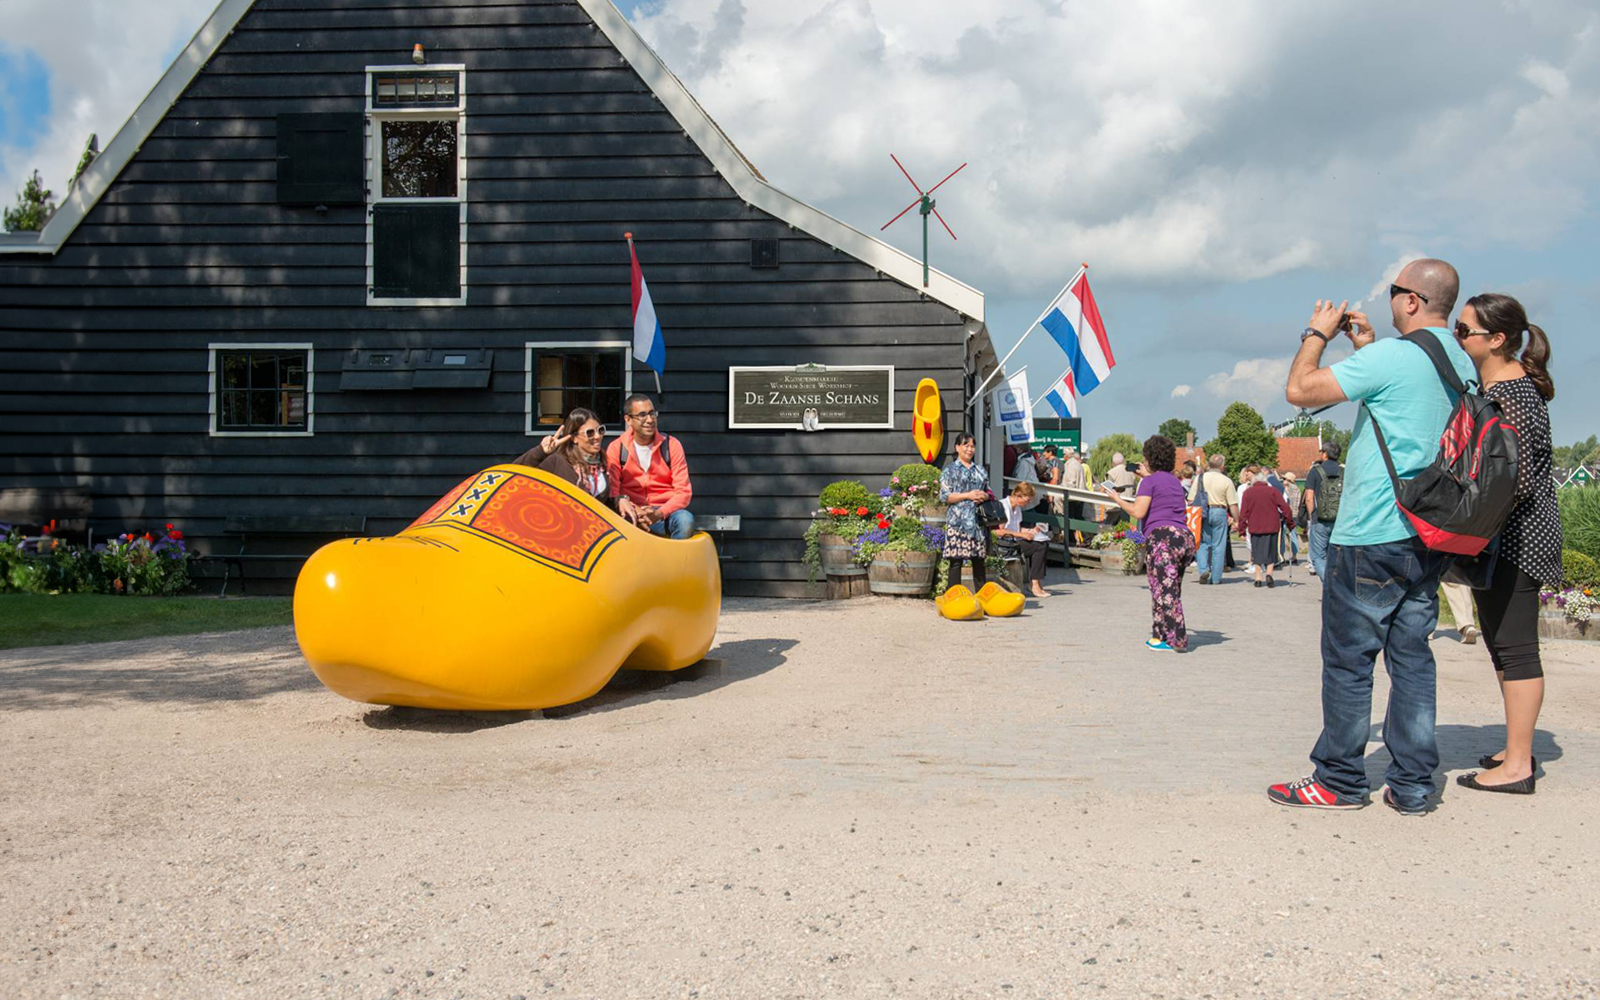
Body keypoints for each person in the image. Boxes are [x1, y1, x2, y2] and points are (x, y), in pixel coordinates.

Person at [1269, 258, 1475, 816]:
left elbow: (1299, 391)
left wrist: (1317, 333)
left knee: (1349, 660)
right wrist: (1367, 346)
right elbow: (1405, 409)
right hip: (1428, 532)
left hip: (1371, 532)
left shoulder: (1394, 356)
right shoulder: (1461, 361)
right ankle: (1411, 786)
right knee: (1411, 657)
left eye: (1394, 291)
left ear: (1411, 301)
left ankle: (1337, 780)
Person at [1453, 293, 1560, 795]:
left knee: (1516, 651)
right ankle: (1516, 746)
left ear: (1496, 339)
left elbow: (1505, 478)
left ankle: (1518, 764)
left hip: (1516, 538)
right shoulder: (1503, 385)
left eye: (1464, 330)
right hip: (1508, 535)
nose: (1458, 336)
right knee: (1501, 646)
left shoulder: (1510, 394)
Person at [1104, 435, 1194, 651]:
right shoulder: (1173, 480)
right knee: (1172, 588)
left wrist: (1116, 498)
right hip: (1183, 536)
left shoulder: (1148, 482)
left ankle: (1177, 639)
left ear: (1149, 459)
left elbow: (1138, 511)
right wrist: (1147, 475)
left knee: (1162, 590)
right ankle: (1161, 634)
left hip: (1162, 538)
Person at [515, 408, 638, 521]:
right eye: (590, 433)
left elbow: (597, 504)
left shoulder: (601, 464)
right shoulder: (558, 462)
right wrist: (541, 451)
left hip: (590, 534)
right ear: (574, 438)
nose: (597, 437)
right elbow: (516, 472)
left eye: (600, 430)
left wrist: (620, 500)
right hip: (562, 532)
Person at [606, 393, 696, 539]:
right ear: (628, 419)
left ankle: (676, 562)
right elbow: (613, 491)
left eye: (652, 413)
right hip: (630, 513)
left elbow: (684, 493)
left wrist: (658, 514)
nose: (649, 420)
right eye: (642, 415)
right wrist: (635, 509)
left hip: (665, 513)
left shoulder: (671, 445)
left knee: (685, 521)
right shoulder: (617, 448)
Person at [940, 432, 990, 591]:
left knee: (979, 560)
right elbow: (945, 496)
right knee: (956, 561)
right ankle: (953, 596)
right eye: (966, 445)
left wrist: (983, 496)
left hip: (977, 522)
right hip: (958, 521)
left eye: (972, 446)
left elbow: (989, 491)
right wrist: (968, 495)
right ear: (958, 447)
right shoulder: (950, 470)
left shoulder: (980, 470)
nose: (969, 449)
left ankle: (982, 596)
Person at [1239, 468, 1295, 588]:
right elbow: (1285, 508)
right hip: (1272, 525)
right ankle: (1269, 574)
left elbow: (1243, 512)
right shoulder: (1273, 491)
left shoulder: (1248, 493)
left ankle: (1258, 577)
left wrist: (1242, 529)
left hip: (1255, 526)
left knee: (1257, 551)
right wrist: (1290, 523)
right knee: (1271, 550)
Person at [995, 482, 1050, 599]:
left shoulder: (1017, 508)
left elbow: (1017, 528)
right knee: (1040, 547)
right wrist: (1022, 535)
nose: (1027, 503)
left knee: (1043, 543)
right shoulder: (1003, 506)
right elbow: (999, 531)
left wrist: (1031, 531)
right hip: (1005, 543)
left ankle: (1036, 583)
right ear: (1018, 495)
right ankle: (1035, 584)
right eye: (1026, 500)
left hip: (1014, 540)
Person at [1189, 454, 1237, 585]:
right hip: (1220, 511)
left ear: (1209, 465)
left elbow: (1190, 499)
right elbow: (1233, 504)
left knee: (1203, 543)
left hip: (1202, 511)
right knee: (1219, 545)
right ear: (1222, 466)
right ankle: (1216, 578)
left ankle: (1203, 569)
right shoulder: (1226, 481)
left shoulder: (1200, 478)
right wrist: (1237, 520)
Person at [1302, 441, 1343, 577]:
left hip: (1320, 519)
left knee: (1318, 556)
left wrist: (1311, 516)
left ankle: (1328, 586)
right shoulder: (1344, 471)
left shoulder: (1315, 471)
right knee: (1338, 556)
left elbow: (1309, 497)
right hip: (1340, 520)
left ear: (1325, 454)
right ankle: (1336, 585)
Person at [1104, 452, 1140, 526]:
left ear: (1113, 462)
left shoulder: (1112, 472)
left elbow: (1107, 488)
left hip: (1114, 506)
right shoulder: (1130, 472)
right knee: (1124, 529)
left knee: (1107, 529)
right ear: (1123, 461)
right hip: (1127, 505)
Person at [1280, 471, 1302, 567]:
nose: (1283, 480)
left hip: (1286, 514)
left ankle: (1282, 555)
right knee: (1293, 535)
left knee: (1282, 535)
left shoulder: (1286, 489)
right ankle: (1294, 556)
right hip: (1295, 514)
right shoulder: (1297, 489)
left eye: (1284, 479)